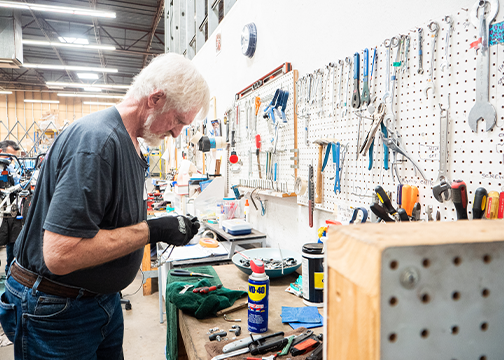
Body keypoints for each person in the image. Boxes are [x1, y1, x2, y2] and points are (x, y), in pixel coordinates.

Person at [0, 53, 210, 359]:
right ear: (155, 98)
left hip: (98, 302)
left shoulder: (133, 142)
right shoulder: (98, 143)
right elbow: (60, 254)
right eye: (178, 120)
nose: (177, 132)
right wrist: (153, 230)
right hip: (58, 311)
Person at [0, 140, 22, 275]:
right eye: (9, 156)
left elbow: (17, 181)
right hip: (1, 210)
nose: (11, 160)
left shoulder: (11, 167)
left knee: (13, 240)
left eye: (14, 157)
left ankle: (10, 271)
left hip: (12, 208)